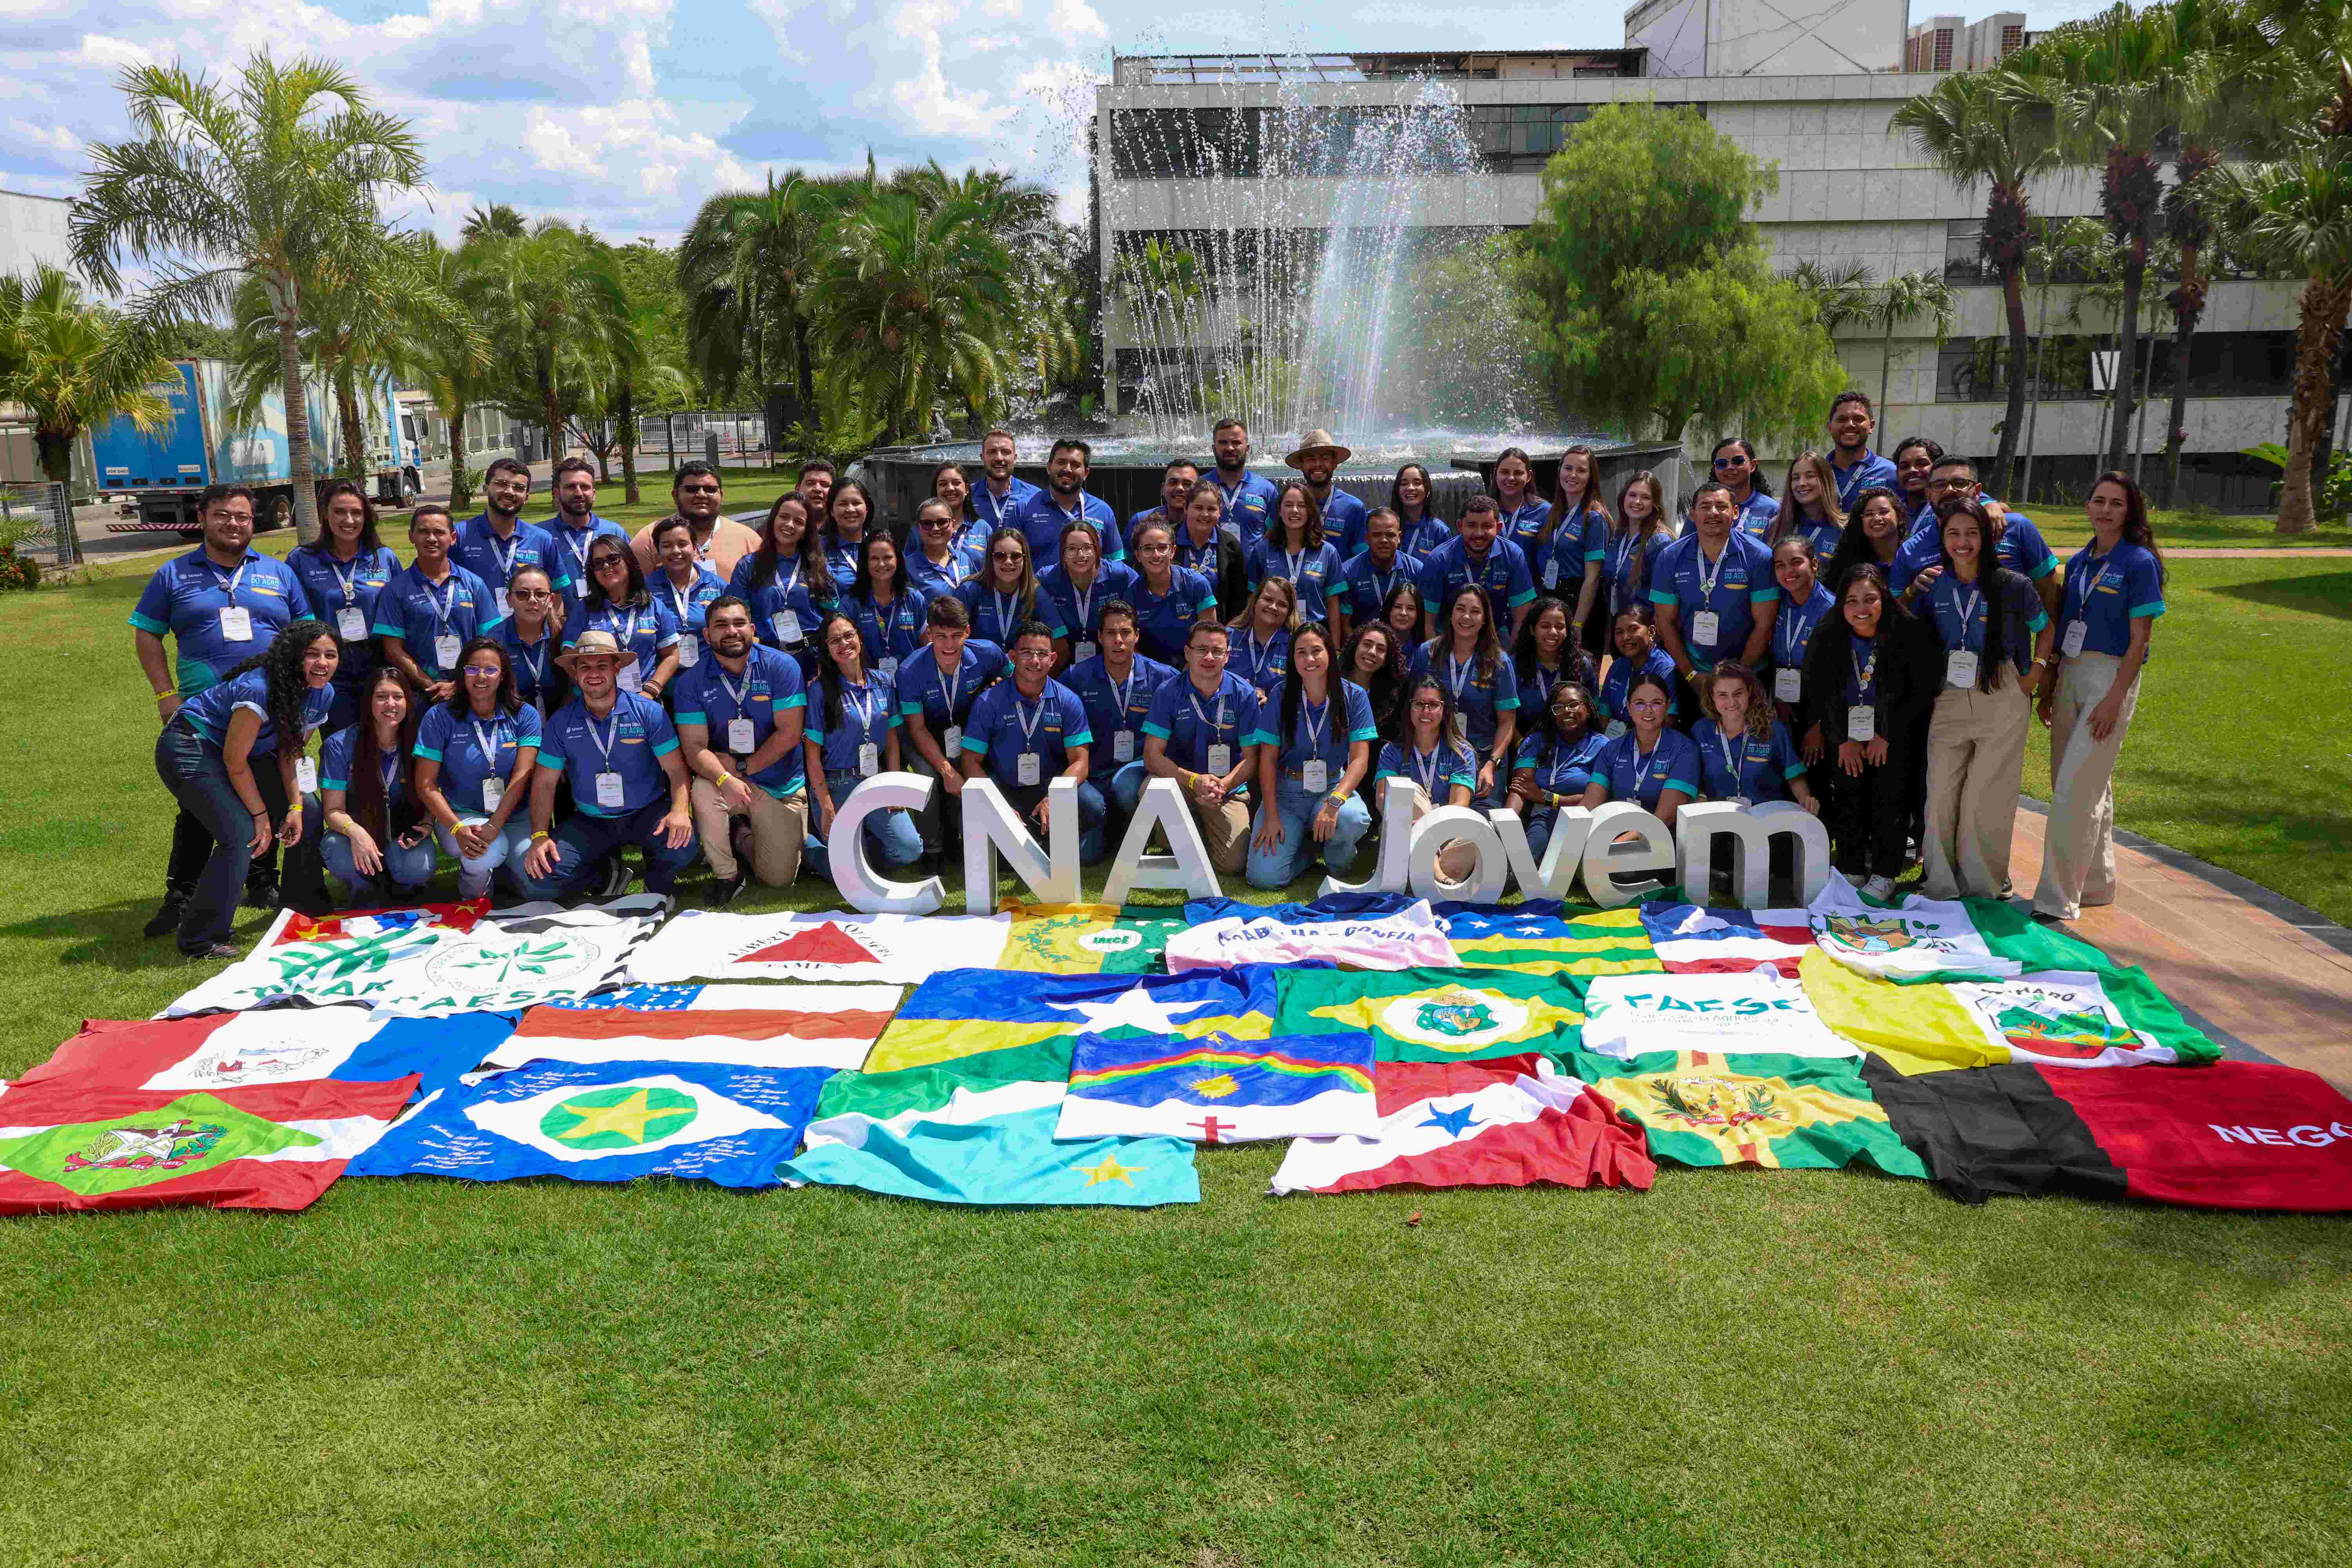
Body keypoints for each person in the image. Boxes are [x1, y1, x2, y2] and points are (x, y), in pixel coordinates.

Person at [131, 483, 319, 930]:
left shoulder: (279, 574)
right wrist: (165, 694)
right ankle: (182, 895)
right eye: (223, 516)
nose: (233, 524)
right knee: (201, 806)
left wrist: (304, 705)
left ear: (253, 522)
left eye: (242, 516)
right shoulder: (173, 575)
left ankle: (261, 879)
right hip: (206, 717)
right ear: (202, 518)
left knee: (272, 791)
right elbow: (146, 633)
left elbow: (308, 637)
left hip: (270, 713)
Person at [152, 621, 337, 956]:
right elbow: (234, 761)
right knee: (240, 834)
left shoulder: (323, 693)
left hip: (236, 754)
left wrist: (293, 807)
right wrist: (261, 815)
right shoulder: (258, 688)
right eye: (312, 655)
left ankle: (300, 906)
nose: (322, 663)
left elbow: (290, 751)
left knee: (308, 808)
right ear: (294, 657)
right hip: (190, 746)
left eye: (330, 655)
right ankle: (201, 938)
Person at [2033, 473, 2167, 924]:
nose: (2106, 510)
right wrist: (2051, 688)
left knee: (2075, 792)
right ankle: (2096, 884)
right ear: (2088, 508)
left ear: (2130, 512)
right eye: (2099, 502)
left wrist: (2115, 699)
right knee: (2082, 784)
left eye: (2116, 503)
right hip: (2070, 671)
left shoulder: (2139, 562)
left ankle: (2056, 897)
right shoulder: (2078, 563)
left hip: (2110, 677)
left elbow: (2139, 643)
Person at [1918, 499, 2054, 902]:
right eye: (1954, 533)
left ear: (1987, 537)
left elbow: (2044, 629)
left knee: (1985, 796)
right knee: (1941, 792)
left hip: (2002, 689)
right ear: (1943, 539)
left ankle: (1981, 886)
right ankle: (1941, 884)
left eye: (1972, 533)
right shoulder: (1936, 585)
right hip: (1949, 693)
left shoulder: (2013, 585)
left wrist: (2036, 673)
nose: (1963, 542)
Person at [518, 630, 699, 899]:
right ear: (575, 673)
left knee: (682, 846)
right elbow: (544, 784)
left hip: (647, 813)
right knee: (541, 876)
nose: (594, 674)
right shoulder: (561, 722)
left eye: (602, 666)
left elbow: (677, 771)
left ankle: (657, 882)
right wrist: (540, 836)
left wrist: (681, 810)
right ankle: (607, 877)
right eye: (585, 667)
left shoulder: (648, 712)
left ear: (617, 668)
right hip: (592, 820)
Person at [1802, 563, 1938, 899]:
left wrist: (1886, 735)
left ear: (1884, 598)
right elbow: (1820, 691)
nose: (1861, 610)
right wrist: (1843, 740)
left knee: (1889, 801)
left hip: (1893, 734)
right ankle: (1850, 864)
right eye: (1852, 601)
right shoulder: (1828, 632)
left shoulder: (1906, 630)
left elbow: (1920, 691)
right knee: (1848, 795)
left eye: (1870, 599)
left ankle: (1886, 871)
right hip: (1846, 733)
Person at [673, 594, 810, 901]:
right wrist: (727, 779)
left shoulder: (782, 666)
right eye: (721, 625)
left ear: (752, 628)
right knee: (703, 791)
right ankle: (727, 875)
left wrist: (744, 768)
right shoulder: (691, 682)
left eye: (738, 623)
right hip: (727, 781)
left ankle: (738, 833)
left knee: (778, 880)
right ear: (707, 635)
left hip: (780, 785)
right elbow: (695, 748)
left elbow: (789, 734)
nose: (731, 631)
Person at [1247, 620, 1376, 888]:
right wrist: (1271, 816)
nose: (1309, 659)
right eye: (1301, 652)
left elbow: (1360, 760)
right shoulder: (1281, 695)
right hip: (1287, 793)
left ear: (1331, 653)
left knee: (1353, 820)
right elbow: (1268, 760)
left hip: (1331, 787)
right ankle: (1307, 851)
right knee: (1264, 878)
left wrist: (1334, 803)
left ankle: (1334, 857)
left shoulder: (1355, 696)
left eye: (1317, 651)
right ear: (1292, 658)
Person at [414, 637, 541, 900]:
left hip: (515, 816)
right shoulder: (439, 717)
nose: (481, 677)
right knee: (489, 850)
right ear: (462, 673)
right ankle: (473, 900)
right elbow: (426, 785)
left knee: (539, 884)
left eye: (491, 670)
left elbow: (523, 776)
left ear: (503, 675)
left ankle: (504, 874)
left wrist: (495, 824)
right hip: (462, 817)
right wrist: (457, 828)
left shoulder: (525, 714)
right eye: (472, 669)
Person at [1142, 619, 1270, 875]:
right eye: (1201, 650)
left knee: (1233, 865)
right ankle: (1180, 837)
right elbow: (1152, 757)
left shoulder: (1243, 694)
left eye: (1217, 651)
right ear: (1188, 653)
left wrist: (1223, 786)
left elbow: (1251, 759)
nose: (1209, 657)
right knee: (1150, 789)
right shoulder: (1168, 692)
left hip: (1227, 789)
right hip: (1182, 783)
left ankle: (1192, 837)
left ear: (1227, 656)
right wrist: (1194, 781)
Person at [802, 612, 924, 880]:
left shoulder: (883, 682)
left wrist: (893, 785)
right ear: (826, 648)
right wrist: (825, 804)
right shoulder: (819, 691)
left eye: (848, 636)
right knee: (846, 876)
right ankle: (811, 850)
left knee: (909, 851)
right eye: (835, 641)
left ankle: (861, 854)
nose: (844, 644)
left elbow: (892, 740)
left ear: (859, 637)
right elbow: (812, 753)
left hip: (875, 780)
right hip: (837, 785)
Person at [958, 620, 1098, 844]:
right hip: (1006, 785)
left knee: (1092, 804)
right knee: (969, 819)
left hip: (1050, 785)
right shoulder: (988, 702)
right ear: (1012, 657)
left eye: (1042, 654)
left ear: (1052, 659)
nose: (1034, 661)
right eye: (1026, 653)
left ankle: (1050, 839)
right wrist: (999, 803)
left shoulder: (1068, 701)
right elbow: (970, 761)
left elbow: (1081, 762)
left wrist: (1054, 798)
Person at [1651, 481, 1777, 726]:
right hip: (1693, 675)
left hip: (1748, 674)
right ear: (1693, 513)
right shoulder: (1670, 557)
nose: (1713, 513)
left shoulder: (1759, 557)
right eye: (1705, 506)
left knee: (1746, 744)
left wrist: (1736, 678)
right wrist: (1691, 675)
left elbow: (1765, 625)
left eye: (1722, 506)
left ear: (1736, 513)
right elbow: (1665, 623)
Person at [895, 595, 1008, 865]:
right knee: (927, 776)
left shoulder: (988, 653)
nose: (949, 645)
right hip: (922, 733)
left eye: (957, 636)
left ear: (968, 632)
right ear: (929, 634)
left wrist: (1002, 686)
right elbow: (918, 729)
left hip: (965, 729)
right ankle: (932, 850)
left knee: (975, 767)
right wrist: (946, 771)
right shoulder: (909, 671)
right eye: (941, 636)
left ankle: (963, 839)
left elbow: (1017, 679)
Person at [285, 480, 401, 731]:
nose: (349, 520)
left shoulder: (385, 558)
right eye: (339, 512)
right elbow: (294, 620)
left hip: (378, 665)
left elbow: (401, 614)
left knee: (385, 739)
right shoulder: (302, 560)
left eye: (356, 513)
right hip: (329, 668)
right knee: (340, 743)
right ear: (325, 514)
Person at [1065, 600, 1174, 862]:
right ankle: (1111, 829)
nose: (1119, 640)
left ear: (1137, 636)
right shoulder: (1076, 676)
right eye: (1111, 633)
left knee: (1125, 787)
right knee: (1085, 858)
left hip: (1140, 771)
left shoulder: (1163, 676)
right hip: (1094, 774)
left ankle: (1135, 833)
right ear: (1100, 637)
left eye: (1125, 632)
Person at [316, 667, 436, 906]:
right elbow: (333, 811)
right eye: (381, 697)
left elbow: (431, 793)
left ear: (408, 702)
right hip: (356, 833)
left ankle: (402, 886)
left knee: (418, 869)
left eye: (398, 697)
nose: (390, 704)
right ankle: (366, 891)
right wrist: (356, 833)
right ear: (369, 701)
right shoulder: (339, 746)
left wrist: (427, 824)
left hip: (401, 836)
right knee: (336, 850)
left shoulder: (421, 743)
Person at [1893, 455, 2062, 618]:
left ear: (1977, 491)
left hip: (2007, 646)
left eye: (1960, 483)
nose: (1950, 490)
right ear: (1929, 493)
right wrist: (1911, 591)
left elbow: (2050, 590)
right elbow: (1893, 609)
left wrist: (2052, 644)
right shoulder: (1911, 550)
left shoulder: (2017, 528)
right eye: (1939, 485)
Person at [1409, 582, 1521, 806]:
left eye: (1475, 611)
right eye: (1461, 609)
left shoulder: (1499, 662)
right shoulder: (1428, 653)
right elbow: (1413, 706)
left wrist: (1492, 765)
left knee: (1480, 824)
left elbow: (1507, 722)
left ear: (1485, 619)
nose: (1467, 617)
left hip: (1484, 757)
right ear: (1450, 614)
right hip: (1437, 754)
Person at [374, 504, 496, 703]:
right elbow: (393, 650)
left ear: (453, 538)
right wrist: (430, 685)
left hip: (470, 690)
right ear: (411, 536)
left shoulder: (474, 583)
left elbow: (490, 640)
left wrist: (461, 684)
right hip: (420, 694)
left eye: (439, 532)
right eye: (423, 532)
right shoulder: (396, 589)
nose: (431, 539)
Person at [1372, 676, 1481, 883]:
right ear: (1409, 708)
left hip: (1447, 832)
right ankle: (1439, 876)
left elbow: (1460, 805)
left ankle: (1421, 877)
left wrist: (1427, 827)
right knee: (1406, 792)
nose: (1426, 711)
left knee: (1478, 838)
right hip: (1402, 830)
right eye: (1419, 704)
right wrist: (1413, 826)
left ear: (1445, 710)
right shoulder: (1392, 751)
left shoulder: (1462, 752)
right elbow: (1382, 798)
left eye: (1434, 705)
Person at [562, 535, 681, 700]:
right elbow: (569, 659)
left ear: (629, 560)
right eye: (598, 563)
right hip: (596, 703)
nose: (606, 566)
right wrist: (595, 691)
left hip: (645, 700)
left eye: (613, 559)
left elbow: (671, 656)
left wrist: (650, 693)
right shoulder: (583, 610)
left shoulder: (654, 606)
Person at [1580, 670, 1701, 830]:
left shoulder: (1685, 751)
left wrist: (1615, 844)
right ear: (1629, 708)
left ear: (1668, 707)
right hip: (1613, 835)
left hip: (1660, 841)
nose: (1648, 710)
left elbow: (1664, 819)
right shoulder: (1611, 749)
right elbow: (1589, 805)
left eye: (1657, 703)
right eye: (1640, 703)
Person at [1506, 678, 1610, 863]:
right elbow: (1521, 788)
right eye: (1559, 707)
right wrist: (1506, 824)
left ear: (1588, 708)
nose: (1567, 712)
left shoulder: (1604, 747)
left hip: (1579, 819)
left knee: (1536, 842)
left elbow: (1598, 798)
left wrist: (1548, 798)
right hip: (1534, 813)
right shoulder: (1536, 741)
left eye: (1574, 705)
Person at [729, 493, 833, 673]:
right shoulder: (748, 567)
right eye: (784, 517)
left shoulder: (819, 568)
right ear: (773, 520)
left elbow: (833, 615)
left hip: (814, 659)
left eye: (799, 522)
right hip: (766, 659)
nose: (790, 525)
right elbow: (737, 616)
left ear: (806, 530)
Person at [451, 457, 568, 618]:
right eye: (502, 484)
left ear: (526, 497)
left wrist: (555, 636)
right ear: (486, 488)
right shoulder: (460, 535)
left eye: (519, 487)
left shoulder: (542, 540)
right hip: (478, 638)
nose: (510, 492)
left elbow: (556, 596)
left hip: (530, 637)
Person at [1693, 662, 1816, 811]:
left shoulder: (1773, 730)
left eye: (1738, 694)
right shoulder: (1701, 731)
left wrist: (1806, 801)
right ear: (1712, 696)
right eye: (1723, 695)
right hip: (1718, 819)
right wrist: (1700, 796)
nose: (1732, 702)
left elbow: (1795, 777)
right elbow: (1691, 777)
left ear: (1749, 692)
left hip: (1767, 819)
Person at [1419, 493, 1536, 645]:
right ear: (1460, 527)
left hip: (1495, 634)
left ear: (1499, 527)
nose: (1479, 534)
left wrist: (1509, 661)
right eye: (1472, 526)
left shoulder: (1513, 555)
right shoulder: (1439, 559)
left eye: (1487, 526)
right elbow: (1427, 623)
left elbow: (1521, 620)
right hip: (1449, 636)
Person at [628, 461, 760, 580]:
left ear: (722, 495)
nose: (702, 495)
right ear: (675, 495)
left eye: (710, 490)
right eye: (692, 490)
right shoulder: (649, 538)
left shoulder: (748, 540)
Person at [1038, 518, 1138, 668]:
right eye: (1072, 549)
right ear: (1063, 554)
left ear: (1097, 550)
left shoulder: (1119, 575)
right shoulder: (1047, 578)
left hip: (1111, 657)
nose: (1080, 555)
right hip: (1064, 659)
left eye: (1087, 548)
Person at [1768, 538, 1835, 762]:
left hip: (1821, 709)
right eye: (1780, 566)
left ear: (1815, 564)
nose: (1788, 571)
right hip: (1785, 702)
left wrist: (1820, 726)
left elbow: (1840, 675)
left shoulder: (1831, 609)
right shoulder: (1777, 603)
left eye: (1796, 562)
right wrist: (1780, 699)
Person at [1123, 519, 1222, 668]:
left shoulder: (1197, 584)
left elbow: (1210, 637)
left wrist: (1187, 673)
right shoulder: (1131, 595)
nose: (1156, 555)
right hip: (1152, 671)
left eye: (1163, 547)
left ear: (1173, 551)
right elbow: (1132, 645)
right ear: (1138, 555)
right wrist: (1154, 674)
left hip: (1195, 667)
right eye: (1148, 549)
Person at [1250, 478, 1345, 630]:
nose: (1295, 510)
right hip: (1274, 632)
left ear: (1310, 511)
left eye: (1301, 506)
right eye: (1288, 505)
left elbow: (1333, 604)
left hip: (1315, 633)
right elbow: (1253, 600)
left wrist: (1334, 648)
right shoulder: (1263, 550)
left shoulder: (1328, 552)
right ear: (1280, 511)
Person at [1596, 470, 1672, 659]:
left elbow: (1666, 598)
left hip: (1645, 637)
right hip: (1621, 630)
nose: (1637, 502)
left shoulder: (1659, 541)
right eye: (1633, 495)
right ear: (1624, 497)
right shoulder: (1618, 535)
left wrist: (1657, 638)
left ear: (1654, 504)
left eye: (1645, 497)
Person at [842, 530, 933, 686]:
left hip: (911, 684)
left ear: (898, 560)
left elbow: (927, 646)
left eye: (888, 558)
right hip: (869, 688)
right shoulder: (851, 603)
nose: (882, 564)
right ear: (865, 562)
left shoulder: (914, 599)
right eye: (874, 559)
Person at [1535, 445, 1609, 637]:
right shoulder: (1553, 512)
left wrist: (1578, 623)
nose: (1573, 475)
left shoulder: (1594, 518)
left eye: (1581, 470)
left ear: (1591, 477)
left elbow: (1593, 578)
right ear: (1560, 472)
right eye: (1568, 468)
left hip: (1577, 604)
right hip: (1551, 597)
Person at [545, 456, 628, 623]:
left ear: (594, 494)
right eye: (570, 487)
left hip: (611, 624)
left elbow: (632, 577)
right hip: (559, 625)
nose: (579, 493)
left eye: (585, 487)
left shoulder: (613, 531)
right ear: (557, 494)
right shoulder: (542, 535)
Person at [1013, 438, 1123, 563]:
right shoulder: (1023, 508)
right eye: (1061, 462)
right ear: (1049, 468)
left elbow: (1116, 563)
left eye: (1075, 465)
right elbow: (1008, 557)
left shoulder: (1103, 511)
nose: (1068, 469)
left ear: (1086, 473)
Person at [957, 526, 1063, 652]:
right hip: (980, 668)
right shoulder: (969, 590)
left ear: (1025, 559)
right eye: (1000, 556)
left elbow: (1060, 640)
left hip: (1023, 669)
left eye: (1016, 556)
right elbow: (951, 639)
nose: (1008, 562)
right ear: (991, 559)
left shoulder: (1036, 593)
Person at [649, 515, 728, 673]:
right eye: (667, 545)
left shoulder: (718, 586)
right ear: (658, 551)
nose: (676, 551)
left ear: (695, 548)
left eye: (683, 544)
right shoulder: (646, 590)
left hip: (712, 678)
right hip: (664, 682)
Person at [486, 564, 565, 714]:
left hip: (561, 723)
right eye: (522, 594)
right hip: (513, 724)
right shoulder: (494, 641)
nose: (532, 600)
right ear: (509, 600)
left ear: (551, 600)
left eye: (541, 594)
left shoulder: (564, 634)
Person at [1336, 507, 1425, 637]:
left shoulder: (1416, 570)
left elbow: (1423, 620)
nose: (1384, 540)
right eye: (1377, 535)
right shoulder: (1348, 572)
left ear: (1399, 537)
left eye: (1390, 535)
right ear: (1366, 538)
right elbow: (1345, 625)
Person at [1173, 476, 1250, 618]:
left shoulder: (1231, 545)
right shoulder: (1168, 540)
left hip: (1217, 632)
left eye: (1212, 509)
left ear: (1220, 512)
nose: (1205, 514)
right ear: (1186, 508)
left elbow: (1238, 599)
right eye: (1198, 508)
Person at [1285, 430, 1368, 561]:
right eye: (1311, 459)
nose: (1318, 464)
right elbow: (1269, 545)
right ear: (1301, 465)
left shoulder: (1354, 508)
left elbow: (1362, 559)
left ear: (1335, 464)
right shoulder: (1287, 504)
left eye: (1325, 459)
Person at [1512, 594, 1600, 718]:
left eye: (1560, 627)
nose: (1553, 632)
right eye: (1545, 626)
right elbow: (1507, 716)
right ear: (1532, 630)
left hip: (1573, 735)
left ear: (1567, 631)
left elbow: (1593, 711)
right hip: (1526, 736)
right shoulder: (1514, 666)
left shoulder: (1583, 665)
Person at [1601, 606, 1680, 736]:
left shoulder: (1665, 669)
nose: (1626, 637)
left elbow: (1668, 722)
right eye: (1619, 632)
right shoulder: (1617, 667)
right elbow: (1604, 713)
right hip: (1614, 741)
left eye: (1634, 629)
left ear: (1652, 632)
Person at [1822, 483, 1909, 599]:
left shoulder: (1913, 556)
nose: (1877, 518)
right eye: (1869, 514)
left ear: (1900, 517)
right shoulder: (1849, 567)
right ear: (1861, 522)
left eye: (1884, 512)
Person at [1209, 418, 1281, 547]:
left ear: (1247, 449)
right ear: (1214, 449)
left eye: (1236, 443)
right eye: (1223, 443)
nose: (1230, 448)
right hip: (1210, 567)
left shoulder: (1266, 489)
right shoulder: (1200, 487)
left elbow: (1276, 533)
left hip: (1254, 568)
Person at [1826, 390, 1900, 512]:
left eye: (1858, 419)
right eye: (1842, 419)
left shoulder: (1892, 473)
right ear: (1830, 427)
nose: (1850, 424)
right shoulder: (1817, 472)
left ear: (1871, 426)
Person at [1227, 575, 1298, 701]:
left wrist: (1272, 699)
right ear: (1255, 601)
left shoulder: (1296, 645)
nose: (1273, 607)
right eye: (1268, 599)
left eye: (1282, 604)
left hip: (1276, 716)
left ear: (1289, 611)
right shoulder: (1228, 637)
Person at [1770, 452, 1847, 560]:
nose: (1801, 483)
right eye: (1796, 478)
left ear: (1826, 481)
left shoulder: (1845, 530)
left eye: (1810, 476)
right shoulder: (1776, 525)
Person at [967, 431, 1038, 541]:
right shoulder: (967, 496)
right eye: (992, 452)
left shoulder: (1035, 496)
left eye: (1006, 452)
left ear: (1015, 458)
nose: (999, 458)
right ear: (983, 458)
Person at [907, 495, 981, 600]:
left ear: (953, 525)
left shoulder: (964, 559)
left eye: (943, 522)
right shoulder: (908, 567)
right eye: (927, 524)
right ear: (918, 528)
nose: (936, 529)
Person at [1342, 620, 1404, 735]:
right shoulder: (1332, 685)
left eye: (1381, 649)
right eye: (1367, 644)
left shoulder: (1389, 701)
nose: (1372, 652)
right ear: (1355, 646)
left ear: (1387, 659)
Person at [1711, 437, 1780, 536]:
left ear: (1753, 465)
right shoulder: (1704, 508)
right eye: (1722, 463)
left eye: (1738, 461)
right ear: (1715, 468)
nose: (1730, 467)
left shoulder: (1773, 510)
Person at [819, 478, 881, 590]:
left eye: (856, 503)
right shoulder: (818, 550)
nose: (851, 509)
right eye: (843, 504)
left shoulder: (884, 545)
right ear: (832, 511)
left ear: (867, 508)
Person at [1126, 458, 1202, 546]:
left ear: (1198, 490)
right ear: (1163, 489)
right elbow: (1125, 559)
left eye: (1188, 484)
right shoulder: (1141, 521)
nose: (1180, 488)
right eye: (1173, 483)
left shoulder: (1205, 522)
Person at [1385, 462, 1451, 558]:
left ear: (1428, 490)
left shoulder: (1439, 531)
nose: (1411, 488)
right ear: (1398, 490)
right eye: (1404, 484)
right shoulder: (1385, 524)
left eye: (1417, 483)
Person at [1492, 446, 1551, 552]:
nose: (1511, 478)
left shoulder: (1545, 512)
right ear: (1496, 474)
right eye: (1505, 472)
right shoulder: (1484, 509)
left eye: (1518, 473)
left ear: (1529, 476)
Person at [1890, 436, 1944, 530]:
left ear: (1939, 469)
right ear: (1897, 473)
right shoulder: (1891, 510)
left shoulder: (1949, 507)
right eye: (1904, 466)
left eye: (1922, 464)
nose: (1912, 470)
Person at [930, 460, 982, 555]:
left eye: (956, 483)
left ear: (967, 489)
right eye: (943, 484)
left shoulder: (983, 529)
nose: (950, 488)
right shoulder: (921, 530)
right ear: (936, 490)